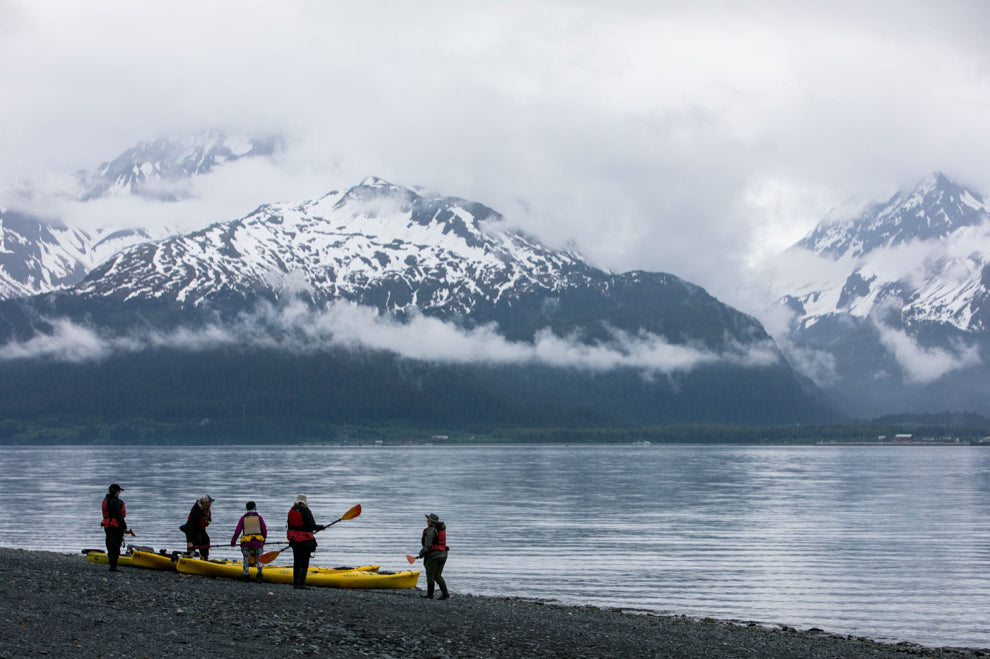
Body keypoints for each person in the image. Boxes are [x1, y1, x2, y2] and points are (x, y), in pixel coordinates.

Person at [286, 494, 325, 590]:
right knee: (304, 562)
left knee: (296, 562)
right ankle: (301, 583)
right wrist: (321, 527)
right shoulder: (306, 511)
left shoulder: (291, 511)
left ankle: (295, 583)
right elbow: (312, 526)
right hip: (305, 541)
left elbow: (289, 526)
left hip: (294, 540)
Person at [230, 501, 267, 582]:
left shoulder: (243, 518)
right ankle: (259, 575)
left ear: (246, 508)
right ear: (255, 507)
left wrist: (233, 542)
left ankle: (246, 575)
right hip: (258, 542)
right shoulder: (259, 517)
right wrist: (264, 539)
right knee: (259, 559)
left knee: (246, 558)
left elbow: (237, 531)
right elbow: (264, 529)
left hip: (246, 543)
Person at [418, 512, 450, 599]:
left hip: (434, 556)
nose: (427, 521)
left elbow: (427, 545)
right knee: (438, 575)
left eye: (428, 520)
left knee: (430, 575)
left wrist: (421, 554)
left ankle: (430, 595)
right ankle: (445, 594)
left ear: (431, 522)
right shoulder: (441, 529)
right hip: (443, 555)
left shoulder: (430, 530)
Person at [101, 484, 128, 572]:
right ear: (115, 492)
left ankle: (112, 564)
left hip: (107, 526)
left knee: (110, 544)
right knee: (116, 546)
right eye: (118, 491)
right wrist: (124, 526)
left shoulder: (106, 500)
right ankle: (113, 566)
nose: (119, 493)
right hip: (115, 526)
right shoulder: (115, 502)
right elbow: (119, 515)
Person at [182, 494, 214, 559]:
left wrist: (207, 522)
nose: (211, 504)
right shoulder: (196, 510)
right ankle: (189, 557)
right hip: (191, 529)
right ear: (205, 503)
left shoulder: (207, 510)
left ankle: (204, 557)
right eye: (210, 502)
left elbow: (208, 520)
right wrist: (190, 541)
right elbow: (191, 525)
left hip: (200, 529)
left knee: (206, 540)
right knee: (193, 543)